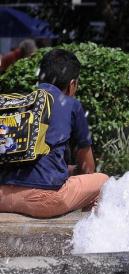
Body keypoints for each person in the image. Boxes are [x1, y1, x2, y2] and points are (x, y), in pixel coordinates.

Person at [0, 49, 108, 218]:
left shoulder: (22, 102)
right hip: (43, 200)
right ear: (72, 84)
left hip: (3, 196)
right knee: (103, 181)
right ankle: (84, 237)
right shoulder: (71, 104)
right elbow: (88, 168)